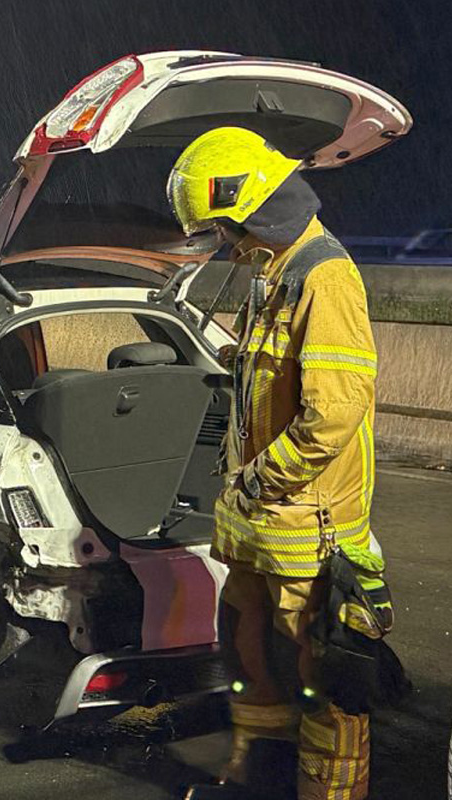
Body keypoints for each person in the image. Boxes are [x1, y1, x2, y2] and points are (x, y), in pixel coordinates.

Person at [170, 128, 380, 800]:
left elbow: (333, 413)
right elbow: (276, 378)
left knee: (322, 680)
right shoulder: (274, 270)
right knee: (248, 650)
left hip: (306, 523)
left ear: (255, 204)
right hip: (262, 522)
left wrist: (260, 479)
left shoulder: (325, 276)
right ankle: (257, 778)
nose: (226, 243)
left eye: (227, 227)